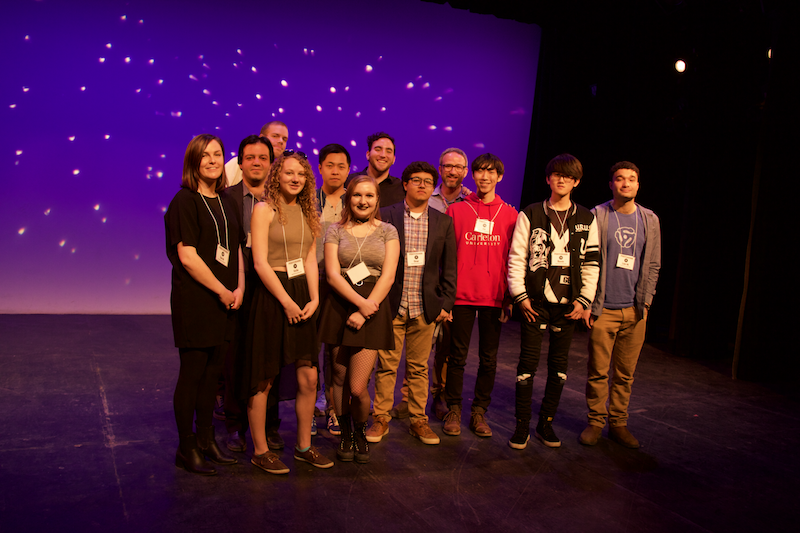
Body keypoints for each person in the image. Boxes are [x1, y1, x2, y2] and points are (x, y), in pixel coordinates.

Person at [245, 150, 334, 474]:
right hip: (273, 295)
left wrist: (314, 298)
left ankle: (303, 447)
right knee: (264, 378)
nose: (295, 179)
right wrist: (286, 301)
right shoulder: (264, 209)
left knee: (309, 377)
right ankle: (260, 451)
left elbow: (309, 258)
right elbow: (259, 263)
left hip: (301, 294)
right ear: (277, 176)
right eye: (289, 173)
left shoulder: (309, 211)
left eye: (301, 174)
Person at [506, 153, 600, 450]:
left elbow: (592, 263)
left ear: (576, 182)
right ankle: (522, 425)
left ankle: (546, 423)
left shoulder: (586, 218)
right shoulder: (531, 213)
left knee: (559, 369)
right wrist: (520, 296)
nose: (562, 180)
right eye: (557, 174)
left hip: (568, 306)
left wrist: (584, 300)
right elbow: (517, 257)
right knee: (526, 367)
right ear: (548, 178)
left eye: (569, 176)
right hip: (534, 303)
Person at [165, 134, 243, 475]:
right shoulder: (184, 200)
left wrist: (239, 288)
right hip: (197, 301)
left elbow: (236, 248)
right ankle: (187, 447)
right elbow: (188, 256)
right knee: (193, 375)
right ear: (193, 161)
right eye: (205, 155)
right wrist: (222, 291)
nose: (213, 160)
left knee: (213, 377)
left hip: (226, 301)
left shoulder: (227, 201)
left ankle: (207, 439)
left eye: (218, 154)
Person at [367, 161, 457, 446]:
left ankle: (419, 420)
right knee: (386, 366)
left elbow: (449, 267)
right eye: (416, 180)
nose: (422, 185)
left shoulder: (443, 221)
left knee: (419, 368)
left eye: (428, 181)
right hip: (392, 304)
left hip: (425, 305)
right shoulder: (386, 215)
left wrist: (446, 303)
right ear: (405, 184)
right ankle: (381, 417)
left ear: (433, 188)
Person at [579, 161, 661, 449]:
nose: (626, 183)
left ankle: (618, 423)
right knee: (598, 371)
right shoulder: (598, 215)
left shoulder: (649, 219)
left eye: (631, 179)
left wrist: (646, 302)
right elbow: (586, 261)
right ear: (611, 184)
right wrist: (588, 302)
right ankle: (595, 422)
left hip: (635, 310)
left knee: (625, 374)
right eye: (619, 178)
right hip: (603, 309)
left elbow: (653, 264)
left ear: (638, 184)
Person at [318, 175, 400, 463]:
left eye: (369, 195)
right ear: (348, 198)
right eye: (357, 195)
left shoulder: (388, 231)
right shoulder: (335, 230)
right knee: (339, 378)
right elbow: (332, 274)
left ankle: (360, 432)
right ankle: (346, 435)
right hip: (340, 306)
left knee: (357, 386)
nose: (363, 201)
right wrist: (359, 304)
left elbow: (388, 275)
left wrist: (366, 308)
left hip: (373, 308)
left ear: (377, 199)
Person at [391, 148, 472, 421]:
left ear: (465, 171)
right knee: (407, 358)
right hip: (410, 290)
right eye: (447, 166)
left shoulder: (469, 202)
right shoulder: (424, 198)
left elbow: (451, 261)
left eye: (458, 167)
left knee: (441, 353)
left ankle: (437, 398)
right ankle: (406, 402)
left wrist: (446, 299)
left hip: (440, 291)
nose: (452, 171)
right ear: (441, 169)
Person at [441, 153, 518, 438]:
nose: (484, 176)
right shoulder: (456, 211)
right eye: (479, 171)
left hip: (493, 296)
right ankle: (453, 409)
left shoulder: (510, 215)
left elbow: (513, 258)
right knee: (456, 356)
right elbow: (446, 257)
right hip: (460, 296)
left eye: (490, 172)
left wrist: (508, 298)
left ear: (500, 176)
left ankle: (479, 411)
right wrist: (445, 298)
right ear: (472, 175)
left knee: (488, 359)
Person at [220, 135, 274, 453]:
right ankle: (233, 423)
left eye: (263, 158)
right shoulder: (225, 198)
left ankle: (269, 426)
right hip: (237, 286)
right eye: (250, 157)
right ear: (240, 163)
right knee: (235, 357)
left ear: (271, 164)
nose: (256, 162)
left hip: (271, 287)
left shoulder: (281, 199)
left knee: (269, 359)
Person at [315, 143, 351, 436]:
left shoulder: (356, 200)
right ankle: (311, 408)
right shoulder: (308, 200)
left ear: (349, 170)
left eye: (341, 166)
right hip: (311, 282)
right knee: (310, 351)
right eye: (330, 165)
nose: (335, 171)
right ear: (320, 168)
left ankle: (334, 409)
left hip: (343, 286)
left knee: (336, 353)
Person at [345, 132, 405, 207]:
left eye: (388, 151)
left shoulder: (401, 189)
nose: (383, 155)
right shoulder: (349, 182)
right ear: (368, 155)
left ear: (394, 159)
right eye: (378, 149)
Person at [225, 121, 289, 187]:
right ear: (262, 138)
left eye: (284, 139)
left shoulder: (282, 173)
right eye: (275, 136)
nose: (281, 141)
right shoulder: (237, 163)